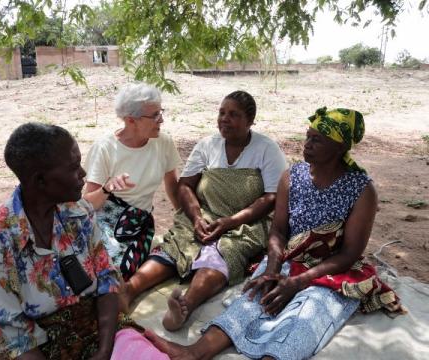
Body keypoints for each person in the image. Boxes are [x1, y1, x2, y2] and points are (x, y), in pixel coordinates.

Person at [143, 107, 404, 360]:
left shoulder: (361, 190)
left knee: (304, 320)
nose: (307, 144)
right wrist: (273, 270)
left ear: (339, 148)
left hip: (333, 270)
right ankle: (195, 352)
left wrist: (299, 283)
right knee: (251, 302)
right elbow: (278, 230)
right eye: (307, 136)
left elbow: (349, 253)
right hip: (290, 258)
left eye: (317, 140)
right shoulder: (293, 176)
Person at [0, 123, 169, 359]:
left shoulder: (79, 211)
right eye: (73, 167)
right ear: (40, 181)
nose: (84, 174)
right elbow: (12, 336)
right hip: (40, 346)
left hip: (98, 327)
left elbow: (107, 281)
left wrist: (105, 351)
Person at [120, 90, 287, 330]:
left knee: (220, 254)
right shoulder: (208, 145)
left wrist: (229, 222)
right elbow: (185, 186)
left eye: (233, 114)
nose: (224, 119)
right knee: (175, 246)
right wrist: (197, 217)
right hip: (204, 216)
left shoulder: (266, 149)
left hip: (243, 223)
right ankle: (129, 289)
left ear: (250, 121)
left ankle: (184, 306)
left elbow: (271, 197)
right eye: (221, 113)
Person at [83, 82, 181, 281]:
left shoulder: (163, 142)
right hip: (105, 220)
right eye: (154, 115)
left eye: (160, 112)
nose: (161, 119)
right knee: (96, 267)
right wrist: (107, 188)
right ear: (131, 120)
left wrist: (186, 218)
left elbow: (172, 186)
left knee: (121, 270)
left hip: (138, 222)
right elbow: (87, 204)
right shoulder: (105, 148)